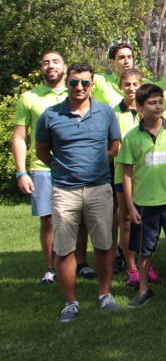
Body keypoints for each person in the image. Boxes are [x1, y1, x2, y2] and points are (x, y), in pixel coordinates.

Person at [36, 63, 121, 322]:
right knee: (64, 249)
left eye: (85, 82)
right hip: (65, 191)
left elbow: (114, 147)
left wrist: (94, 166)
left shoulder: (106, 113)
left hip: (99, 188)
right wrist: (65, 169)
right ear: (67, 83)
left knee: (104, 244)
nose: (79, 87)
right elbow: (42, 152)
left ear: (92, 84)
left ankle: (105, 294)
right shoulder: (50, 116)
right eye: (74, 82)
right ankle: (70, 302)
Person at [118, 83, 166, 308]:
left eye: (160, 102)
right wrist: (130, 206)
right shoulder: (132, 137)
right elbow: (127, 172)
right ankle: (143, 289)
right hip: (144, 204)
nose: (157, 106)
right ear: (140, 107)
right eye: (152, 103)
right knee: (145, 251)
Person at [12, 51, 68, 284]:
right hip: (42, 167)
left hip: (72, 166)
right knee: (48, 219)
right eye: (46, 62)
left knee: (77, 218)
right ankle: (51, 268)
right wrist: (21, 172)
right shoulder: (29, 97)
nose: (50, 66)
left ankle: (80, 264)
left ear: (64, 67)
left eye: (55, 62)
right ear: (41, 68)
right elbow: (19, 137)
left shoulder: (78, 92)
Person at [110, 68, 151, 287]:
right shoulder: (113, 113)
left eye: (135, 84)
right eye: (127, 84)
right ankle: (132, 268)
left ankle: (147, 266)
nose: (131, 88)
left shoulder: (150, 110)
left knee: (147, 222)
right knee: (126, 219)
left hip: (147, 176)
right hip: (122, 174)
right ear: (120, 87)